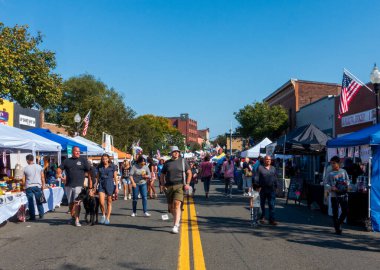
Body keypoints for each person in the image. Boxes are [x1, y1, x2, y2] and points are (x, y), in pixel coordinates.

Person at [160, 146, 192, 234]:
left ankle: (176, 225)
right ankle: (177, 218)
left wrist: (188, 184)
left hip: (179, 185)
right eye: (174, 152)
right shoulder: (167, 163)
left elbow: (189, 173)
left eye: (177, 151)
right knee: (171, 208)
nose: (176, 153)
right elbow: (162, 175)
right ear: (171, 153)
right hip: (169, 187)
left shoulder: (183, 161)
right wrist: (162, 185)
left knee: (177, 204)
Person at [57, 146, 91, 227]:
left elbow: (89, 170)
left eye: (79, 151)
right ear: (72, 152)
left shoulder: (83, 160)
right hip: (68, 185)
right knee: (70, 203)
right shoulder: (67, 161)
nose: (78, 152)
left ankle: (77, 219)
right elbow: (59, 168)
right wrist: (59, 173)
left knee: (77, 203)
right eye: (76, 151)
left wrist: (90, 183)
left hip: (79, 185)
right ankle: (73, 217)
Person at [325, 156, 350, 235]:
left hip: (343, 195)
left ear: (338, 163)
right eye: (331, 163)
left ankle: (338, 223)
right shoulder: (330, 173)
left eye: (334, 163)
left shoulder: (343, 171)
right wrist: (331, 188)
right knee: (335, 212)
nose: (332, 165)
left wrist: (346, 186)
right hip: (334, 195)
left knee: (345, 211)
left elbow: (348, 181)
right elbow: (326, 183)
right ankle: (337, 229)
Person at [96, 154, 118, 225]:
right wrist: (95, 186)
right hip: (101, 184)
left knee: (109, 202)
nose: (104, 160)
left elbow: (115, 177)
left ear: (108, 159)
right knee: (101, 202)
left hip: (110, 184)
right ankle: (103, 215)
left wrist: (117, 187)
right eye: (103, 159)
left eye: (106, 159)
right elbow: (97, 178)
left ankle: (108, 218)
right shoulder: (99, 166)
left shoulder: (113, 166)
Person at [23, 154, 45, 221]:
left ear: (27, 160)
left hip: (29, 186)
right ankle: (41, 215)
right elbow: (42, 177)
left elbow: (23, 179)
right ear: (33, 159)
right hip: (37, 186)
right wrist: (43, 185)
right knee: (39, 201)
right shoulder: (39, 167)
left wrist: (24, 186)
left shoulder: (25, 168)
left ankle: (32, 217)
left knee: (30, 202)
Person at [257, 155, 278, 225]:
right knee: (262, 204)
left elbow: (275, 179)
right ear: (264, 160)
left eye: (269, 159)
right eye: (267, 159)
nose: (268, 160)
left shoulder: (273, 168)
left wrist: (276, 187)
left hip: (271, 189)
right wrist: (256, 187)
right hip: (262, 189)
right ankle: (262, 218)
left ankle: (272, 219)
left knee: (272, 204)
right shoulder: (260, 168)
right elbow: (256, 178)